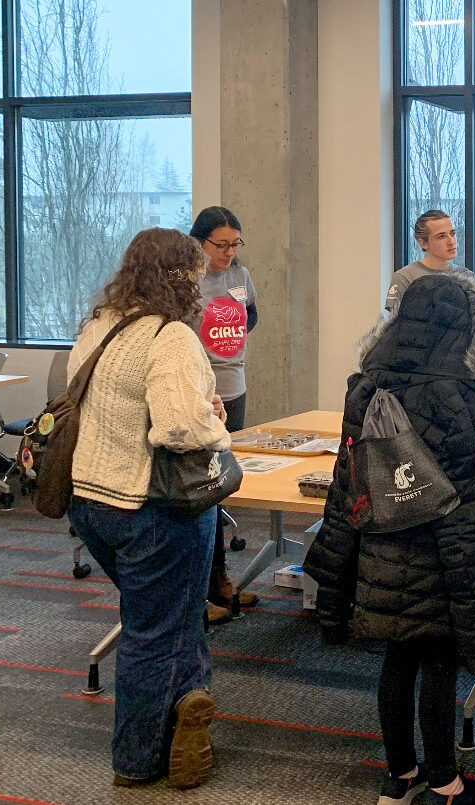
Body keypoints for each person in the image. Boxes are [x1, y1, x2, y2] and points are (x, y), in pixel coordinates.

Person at [305, 270, 475, 805]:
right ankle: (446, 781)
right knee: (438, 665)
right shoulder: (469, 392)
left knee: (397, 660)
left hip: (381, 548)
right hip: (445, 553)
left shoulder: (367, 384)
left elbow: (350, 473)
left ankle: (398, 776)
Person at [65, 227, 232, 789]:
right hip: (152, 506)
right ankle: (137, 761)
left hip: (89, 500)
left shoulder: (98, 326)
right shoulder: (172, 336)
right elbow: (181, 426)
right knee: (155, 631)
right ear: (183, 275)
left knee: (170, 618)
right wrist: (218, 422)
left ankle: (189, 707)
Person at [188, 205, 259, 624]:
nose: (229, 252)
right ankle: (206, 586)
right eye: (221, 245)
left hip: (234, 389)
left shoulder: (241, 276)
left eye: (235, 244)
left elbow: (250, 316)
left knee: (223, 487)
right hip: (199, 392)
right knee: (202, 491)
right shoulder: (187, 281)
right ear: (200, 240)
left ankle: (220, 580)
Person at [385, 210, 459, 313]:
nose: (451, 242)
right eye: (441, 236)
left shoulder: (466, 276)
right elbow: (396, 324)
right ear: (423, 243)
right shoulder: (405, 277)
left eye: (453, 233)